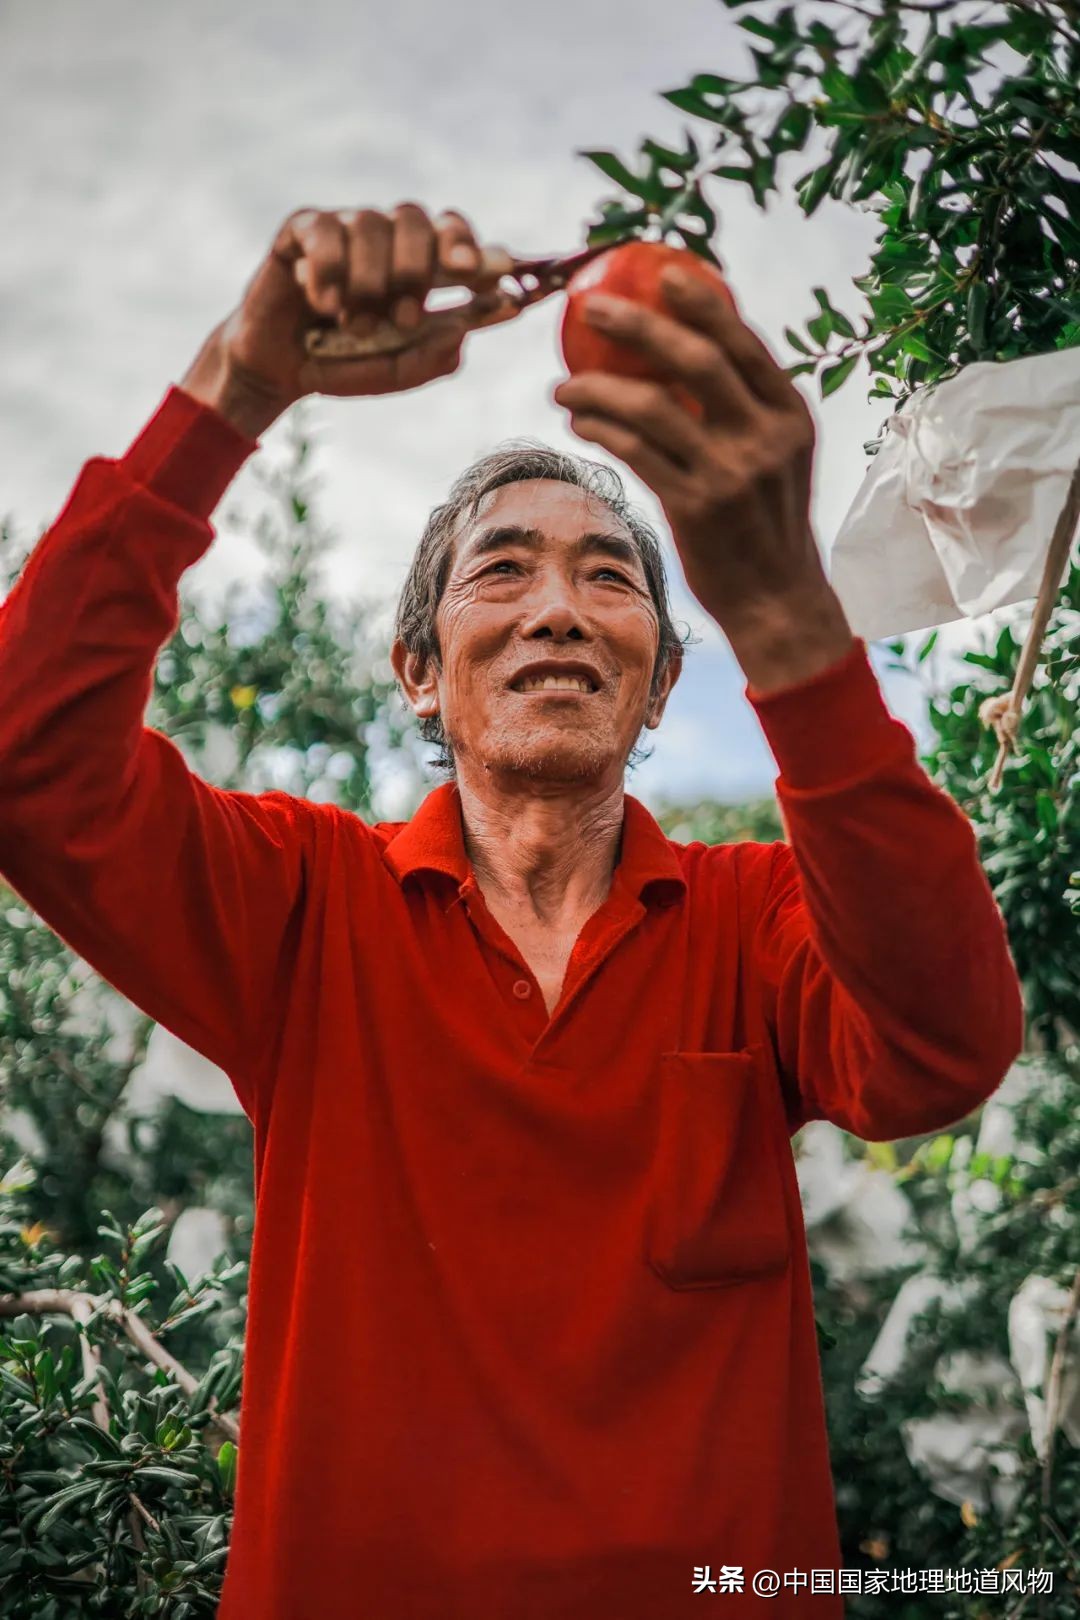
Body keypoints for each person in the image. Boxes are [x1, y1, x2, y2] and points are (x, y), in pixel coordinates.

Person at [0, 202, 1023, 1618]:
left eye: (611, 577)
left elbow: (946, 1049)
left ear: (661, 685)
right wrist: (240, 383)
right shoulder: (303, 909)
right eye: (504, 569)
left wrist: (785, 608)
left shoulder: (756, 917)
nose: (558, 606)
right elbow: (28, 755)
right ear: (422, 670)